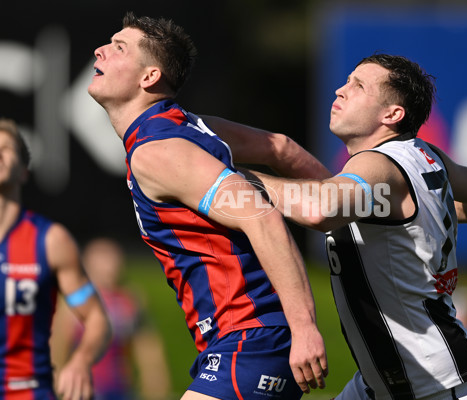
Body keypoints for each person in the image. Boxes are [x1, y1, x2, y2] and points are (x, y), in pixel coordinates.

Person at [241, 54, 467, 399]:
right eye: (346, 81)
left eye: (358, 86)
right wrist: (428, 208)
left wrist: (233, 181)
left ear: (392, 115)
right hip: (389, 385)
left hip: (435, 389)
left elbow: (318, 210)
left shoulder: (379, 162)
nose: (340, 91)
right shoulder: (425, 155)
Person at [87, 12, 329, 400]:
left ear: (148, 77)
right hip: (244, 342)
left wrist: (305, 329)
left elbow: (261, 216)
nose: (99, 50)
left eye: (118, 47)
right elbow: (281, 147)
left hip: (250, 341)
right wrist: (340, 212)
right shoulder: (183, 125)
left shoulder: (157, 151)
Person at [0, 117, 111, 400]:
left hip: (26, 392)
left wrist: (80, 360)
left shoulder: (50, 241)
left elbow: (96, 317)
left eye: (6, 148)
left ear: (24, 171)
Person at [52, 237, 172, 400]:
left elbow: (148, 350)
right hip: (82, 388)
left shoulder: (130, 301)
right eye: (103, 260)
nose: (110, 267)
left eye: (113, 260)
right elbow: (57, 347)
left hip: (120, 389)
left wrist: (155, 386)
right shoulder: (71, 303)